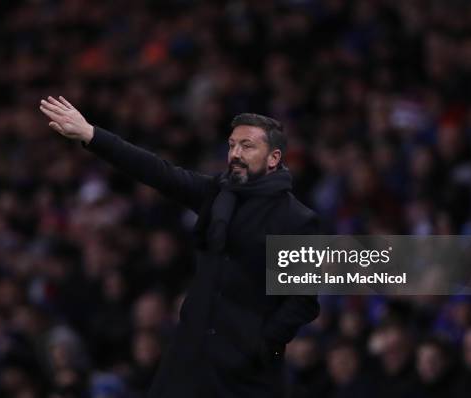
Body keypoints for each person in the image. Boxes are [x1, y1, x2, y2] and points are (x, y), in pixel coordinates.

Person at [39, 96, 320, 398]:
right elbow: (158, 172)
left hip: (246, 371)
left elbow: (303, 302)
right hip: (189, 357)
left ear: (273, 158)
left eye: (247, 146)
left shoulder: (296, 219)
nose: (235, 154)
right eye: (232, 145)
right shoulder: (217, 194)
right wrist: (92, 135)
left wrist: (264, 344)